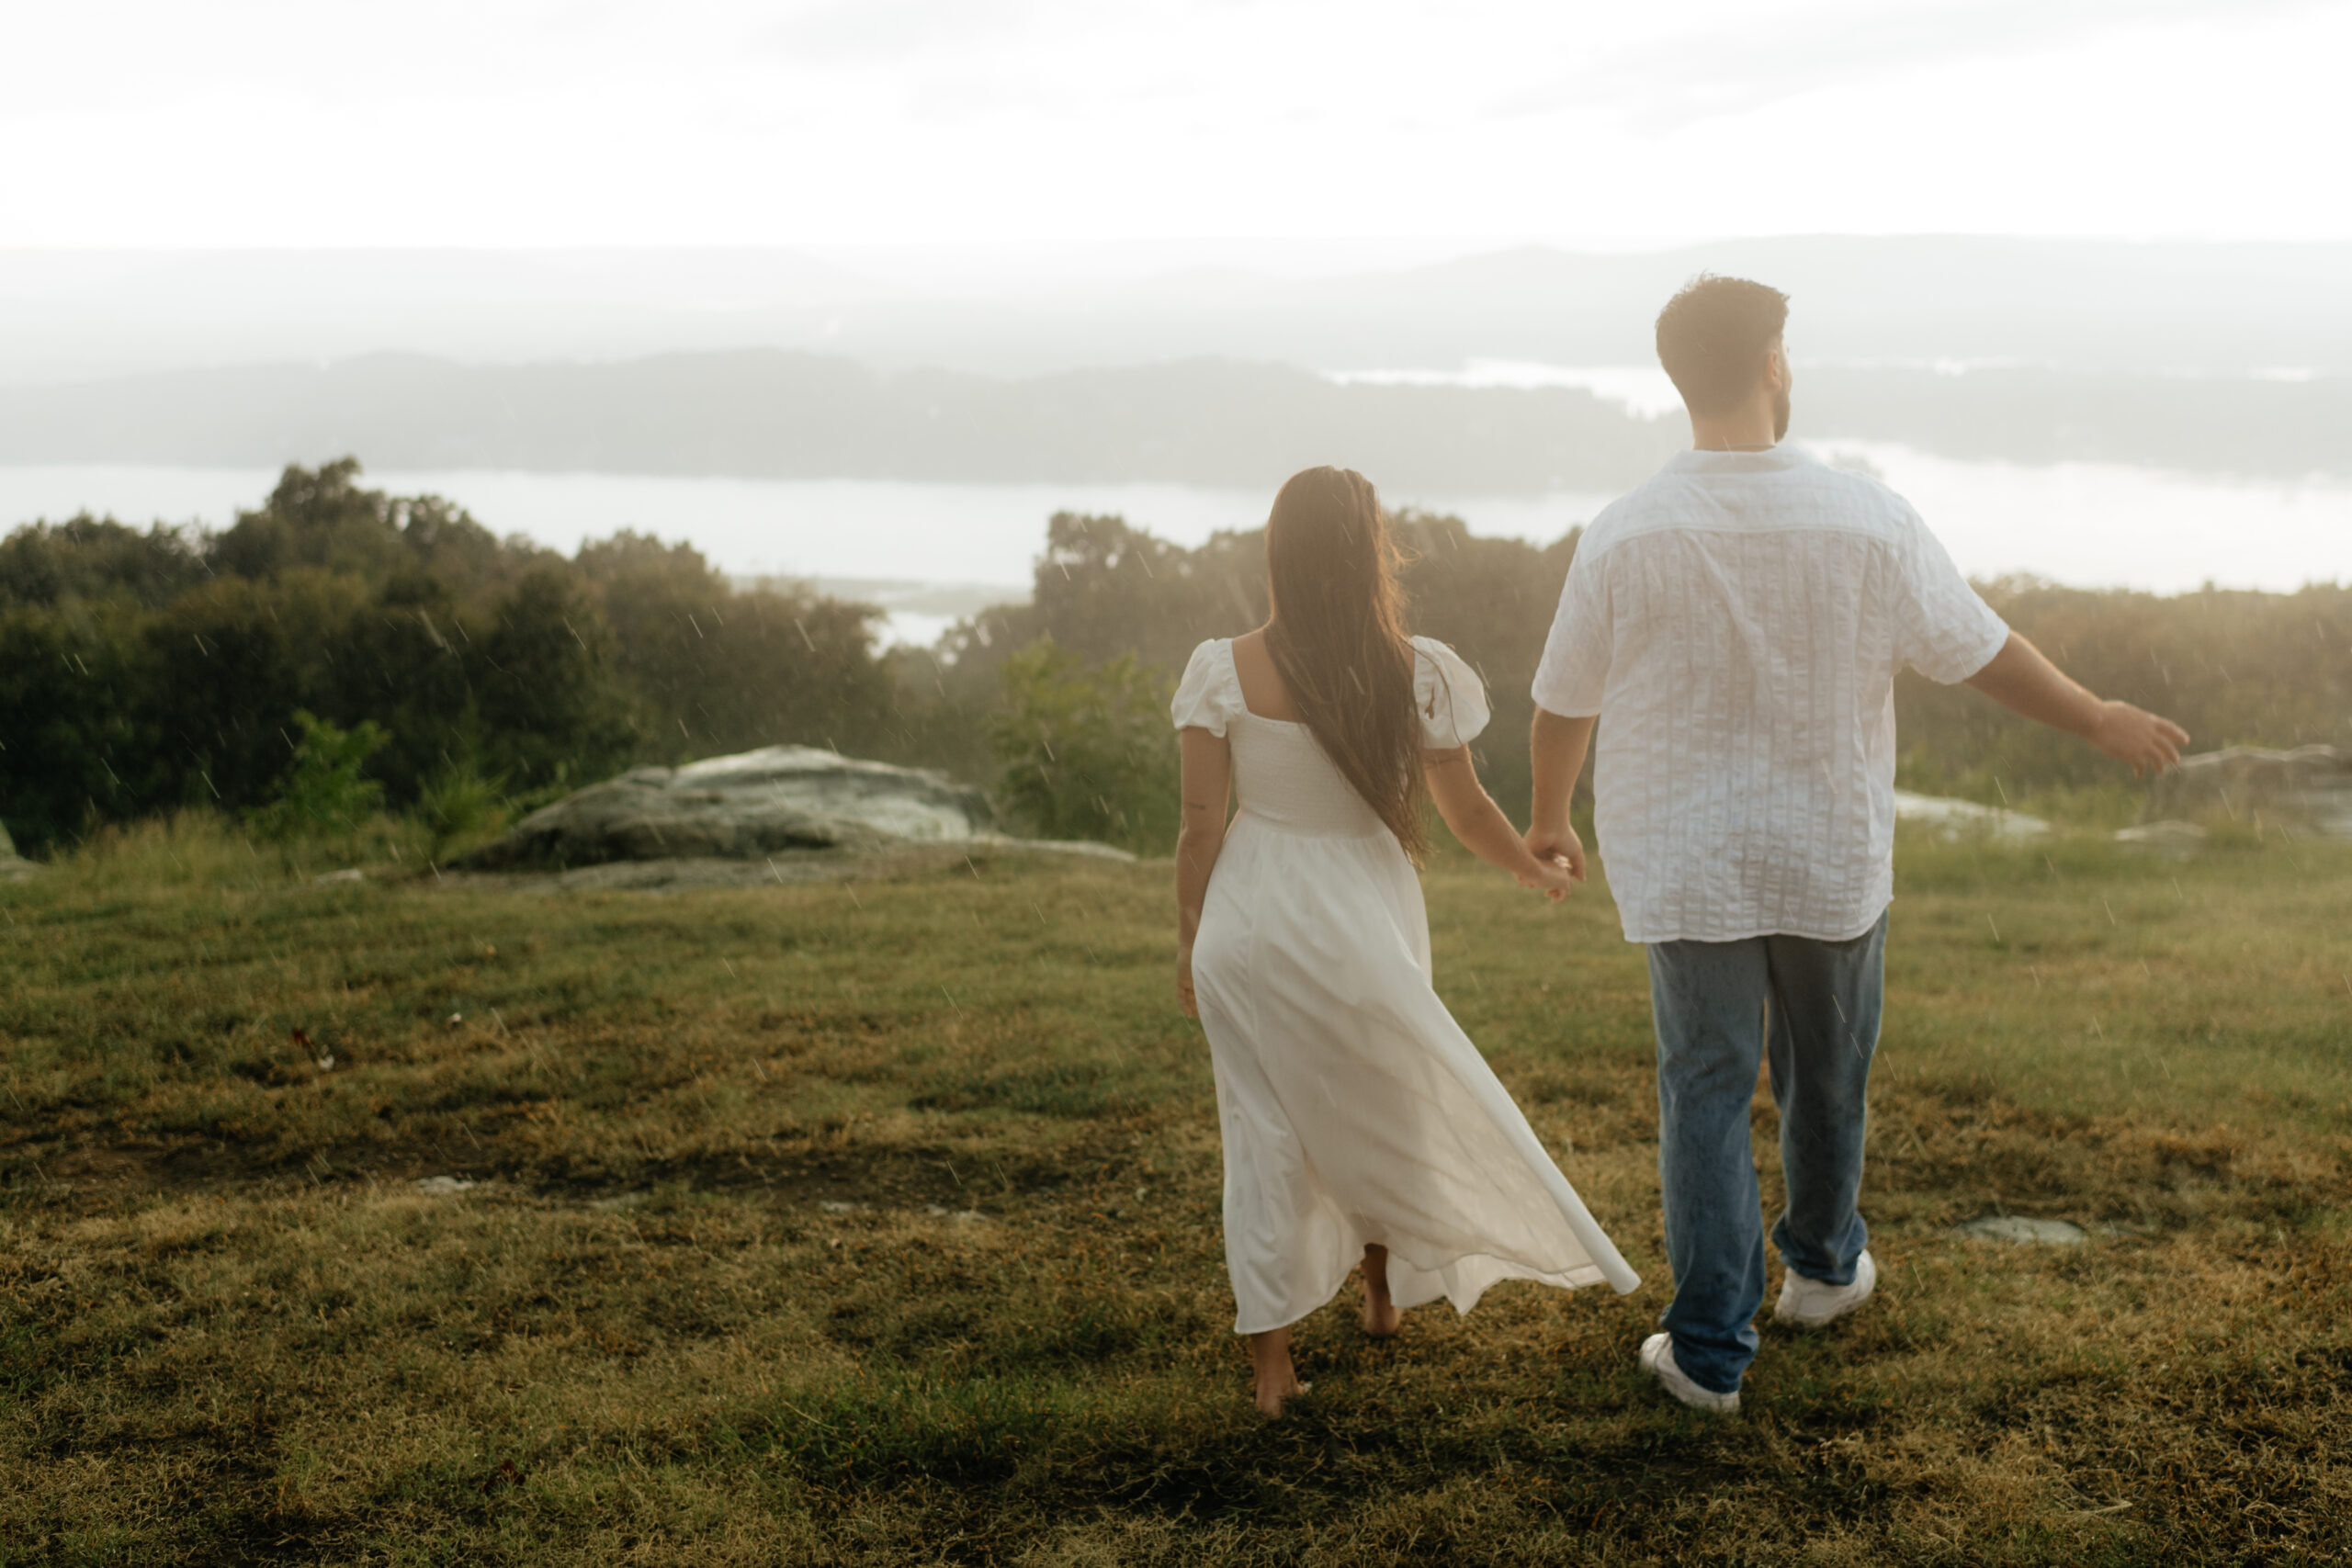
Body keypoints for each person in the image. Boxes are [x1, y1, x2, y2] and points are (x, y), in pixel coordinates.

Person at [1525, 276, 2189, 1415]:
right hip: (1826, 855)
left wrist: (1545, 817)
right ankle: (1824, 1273)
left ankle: (1706, 1357)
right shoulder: (1864, 516)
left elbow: (1561, 702)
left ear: (1679, 379)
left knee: (1704, 1087)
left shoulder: (1625, 530)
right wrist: (2092, 717)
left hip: (1684, 862)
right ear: (1774, 364)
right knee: (1826, 1075)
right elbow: (1978, 647)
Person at [1173, 465, 1640, 1418]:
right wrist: (1531, 865)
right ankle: (1380, 1297)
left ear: (1278, 552)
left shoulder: (1220, 668)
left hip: (1250, 922)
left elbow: (1197, 825)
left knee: (1261, 1137)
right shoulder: (1415, 670)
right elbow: (1462, 807)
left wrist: (1190, 943)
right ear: (1367, 553)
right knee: (1378, 1098)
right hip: (1360, 918)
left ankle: (1271, 1366)